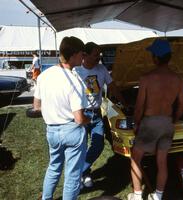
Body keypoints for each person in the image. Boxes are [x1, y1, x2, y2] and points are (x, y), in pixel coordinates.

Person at [128, 39, 183, 200]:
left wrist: (136, 122)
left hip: (150, 122)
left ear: (155, 57)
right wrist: (173, 120)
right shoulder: (178, 79)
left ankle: (138, 195)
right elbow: (182, 106)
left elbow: (139, 107)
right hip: (167, 123)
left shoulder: (146, 78)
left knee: (136, 157)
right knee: (162, 161)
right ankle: (158, 196)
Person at [33, 36, 90, 200]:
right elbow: (79, 118)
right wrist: (88, 120)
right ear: (73, 55)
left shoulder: (44, 75)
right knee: (72, 175)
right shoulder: (74, 81)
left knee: (54, 167)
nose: (83, 58)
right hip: (72, 130)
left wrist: (53, 110)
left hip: (52, 130)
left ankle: (46, 198)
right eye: (82, 54)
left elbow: (36, 105)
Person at [73, 42, 126, 188]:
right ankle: (84, 174)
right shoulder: (75, 71)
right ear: (85, 55)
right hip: (81, 114)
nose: (99, 57)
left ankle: (78, 173)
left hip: (96, 114)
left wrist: (124, 102)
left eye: (100, 54)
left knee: (98, 145)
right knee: (81, 147)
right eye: (96, 54)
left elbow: (113, 87)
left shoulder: (101, 68)